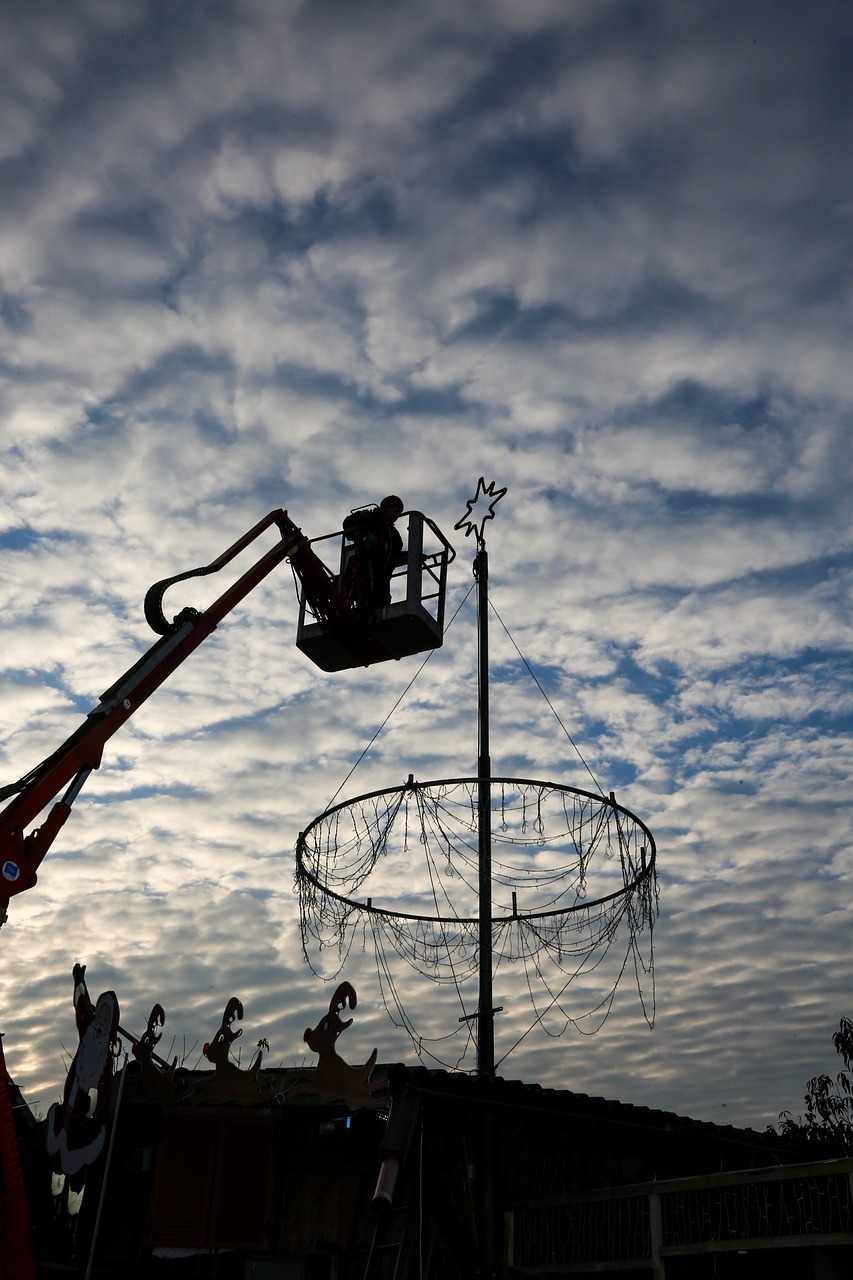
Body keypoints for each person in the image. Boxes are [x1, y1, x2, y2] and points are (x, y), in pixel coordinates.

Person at [342, 495, 405, 618]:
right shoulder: (370, 519)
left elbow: (395, 554)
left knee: (382, 600)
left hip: (383, 574)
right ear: (385, 508)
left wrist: (414, 555)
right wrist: (359, 516)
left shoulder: (394, 534)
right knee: (364, 598)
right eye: (396, 511)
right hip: (366, 568)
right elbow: (347, 524)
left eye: (399, 513)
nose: (397, 516)